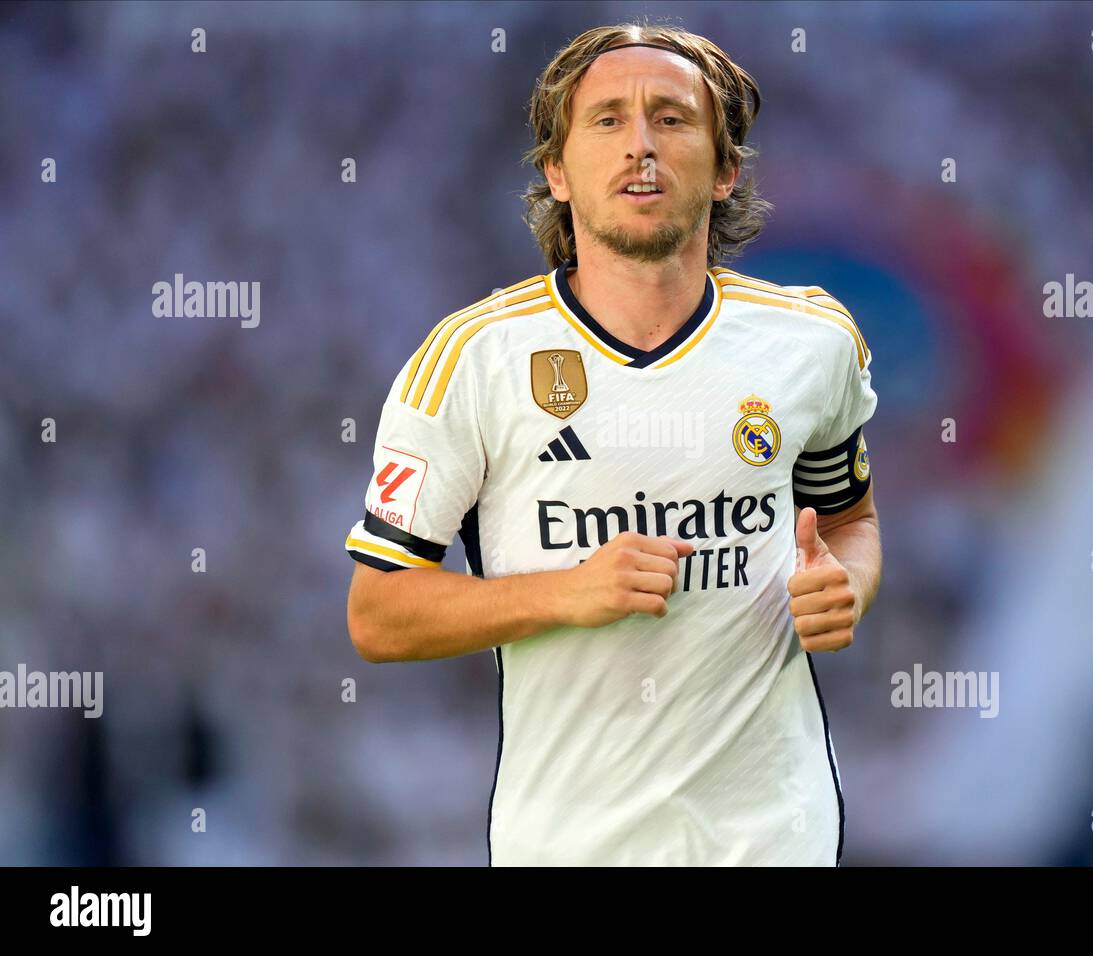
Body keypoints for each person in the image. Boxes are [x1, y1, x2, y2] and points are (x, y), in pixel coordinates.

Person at [343, 21, 881, 866]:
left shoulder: (810, 342)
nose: (640, 144)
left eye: (671, 119)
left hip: (777, 837)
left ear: (726, 167)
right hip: (566, 846)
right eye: (606, 121)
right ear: (557, 172)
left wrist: (846, 585)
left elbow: (851, 520)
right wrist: (568, 592)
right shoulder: (472, 360)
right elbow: (378, 613)